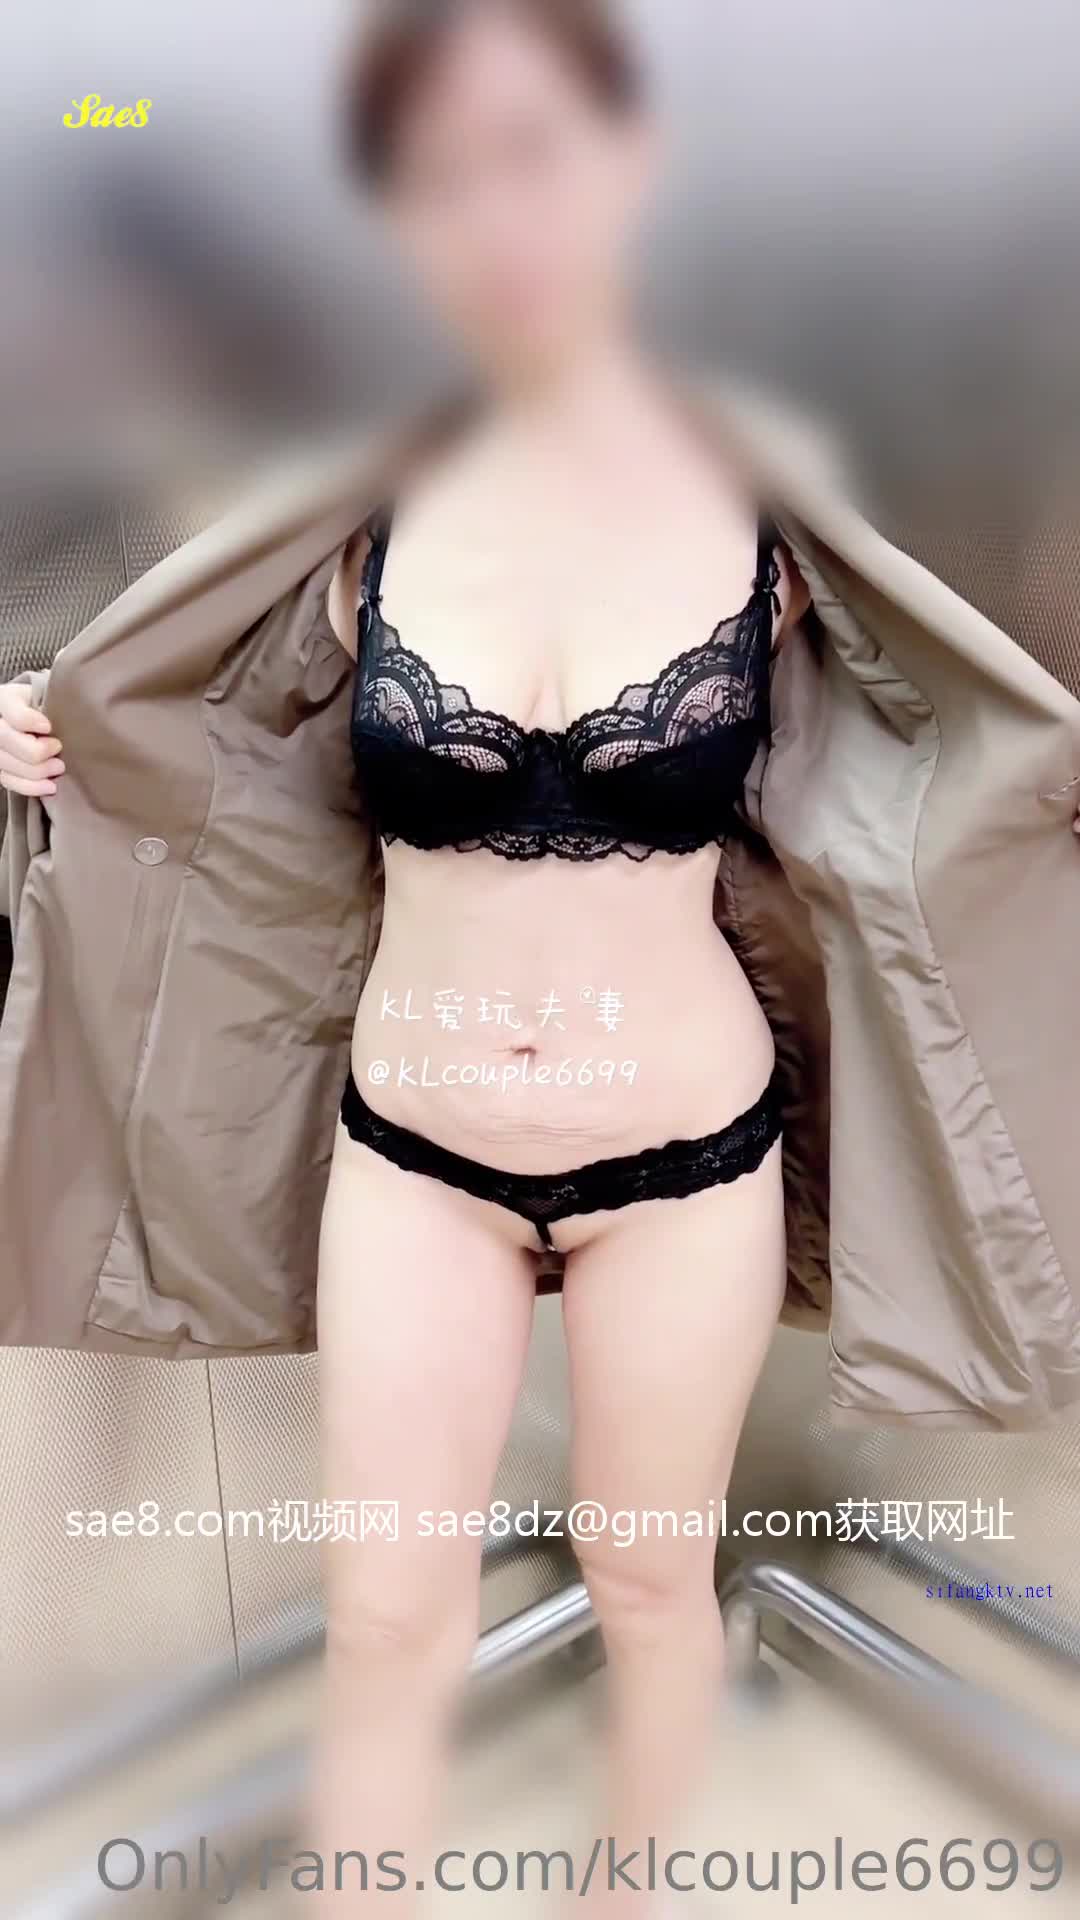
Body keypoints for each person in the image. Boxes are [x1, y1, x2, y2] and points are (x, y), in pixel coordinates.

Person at [3, 2, 1080, 1913]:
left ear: (627, 171)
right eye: (437, 179)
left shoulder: (769, 503)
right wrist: (42, 726)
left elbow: (943, 748)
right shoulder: (357, 510)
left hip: (690, 1166)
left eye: (530, 153)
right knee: (384, 1621)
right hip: (415, 1161)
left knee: (652, 1580)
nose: (491, 213)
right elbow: (197, 730)